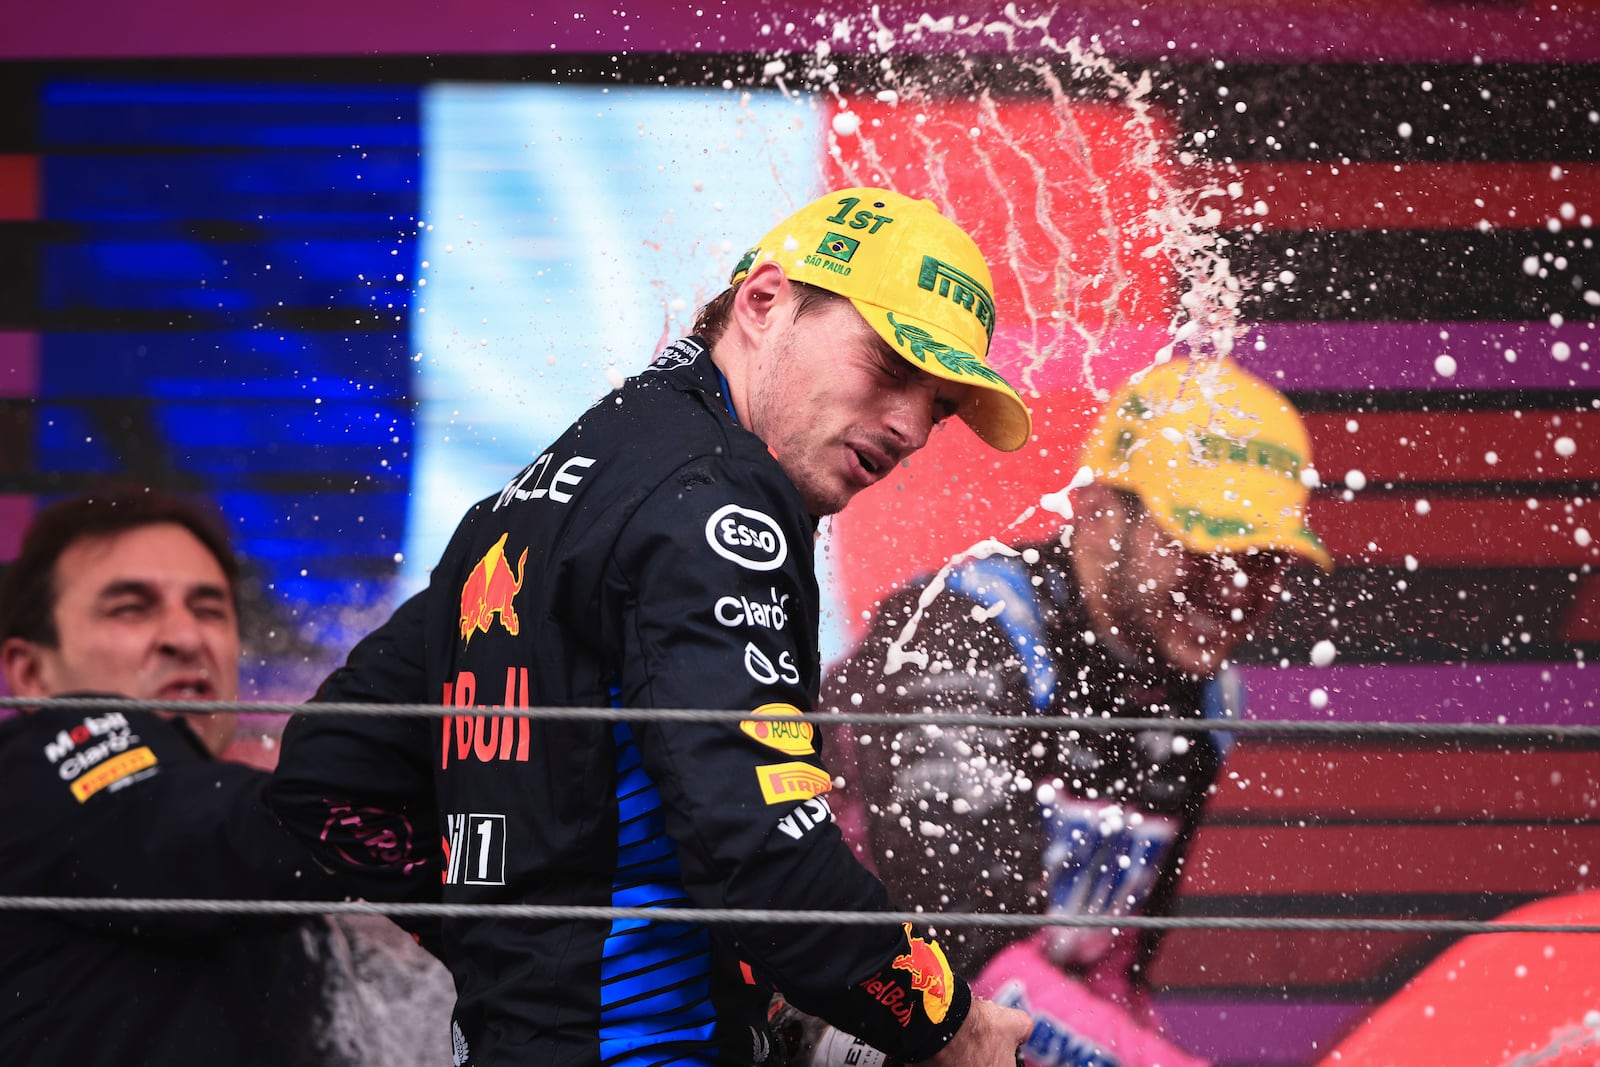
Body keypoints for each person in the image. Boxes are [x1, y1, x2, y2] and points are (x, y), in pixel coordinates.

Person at [268, 186, 1037, 1067]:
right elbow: (765, 851)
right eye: (891, 366)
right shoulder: (714, 496)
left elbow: (330, 775)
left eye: (937, 407)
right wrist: (949, 1025)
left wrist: (519, 951)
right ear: (764, 302)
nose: (910, 428)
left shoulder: (552, 488)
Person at [819, 358, 1332, 1067]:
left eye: (1264, 560)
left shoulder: (1208, 696)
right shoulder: (965, 628)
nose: (1232, 587)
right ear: (1096, 512)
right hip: (821, 1003)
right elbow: (961, 957)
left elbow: (1109, 972)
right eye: (1202, 546)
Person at [0, 487, 365, 1066]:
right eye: (130, 608)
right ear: (31, 673)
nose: (187, 638)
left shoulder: (258, 855)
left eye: (209, 609)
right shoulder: (23, 772)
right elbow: (210, 832)